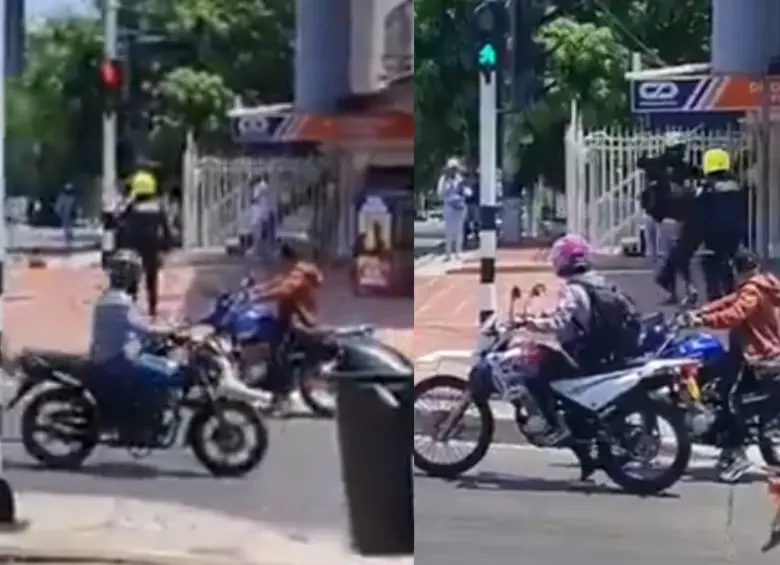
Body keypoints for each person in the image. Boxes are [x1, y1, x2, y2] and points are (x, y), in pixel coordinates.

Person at [517, 233, 641, 481]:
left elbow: (561, 322)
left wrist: (532, 324)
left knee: (532, 374)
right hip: (605, 352)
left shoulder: (573, 289)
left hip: (586, 354)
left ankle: (555, 427)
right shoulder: (597, 281)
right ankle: (585, 454)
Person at [680, 248, 780, 482]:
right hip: (763, 353)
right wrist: (702, 310)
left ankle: (737, 455)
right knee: (721, 385)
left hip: (759, 356)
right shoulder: (765, 284)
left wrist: (703, 320)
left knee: (732, 401)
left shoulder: (753, 291)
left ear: (736, 271)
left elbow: (735, 313)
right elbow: (731, 300)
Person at [88, 250, 184, 442]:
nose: (138, 279)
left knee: (157, 364)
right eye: (135, 274)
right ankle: (141, 427)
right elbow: (142, 328)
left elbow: (138, 326)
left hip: (122, 354)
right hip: (115, 360)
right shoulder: (118, 302)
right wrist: (170, 332)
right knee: (161, 375)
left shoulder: (117, 298)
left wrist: (165, 327)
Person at [251, 240, 328, 415]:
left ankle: (282, 399)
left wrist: (259, 298)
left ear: (288, 259)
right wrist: (256, 289)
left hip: (297, 322)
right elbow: (277, 282)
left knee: (280, 358)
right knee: (273, 348)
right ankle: (270, 391)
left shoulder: (297, 275)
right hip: (289, 320)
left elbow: (285, 290)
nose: (279, 262)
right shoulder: (294, 271)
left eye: (281, 259)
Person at [639, 132, 701, 303]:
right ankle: (684, 288)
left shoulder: (658, 165)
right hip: (678, 217)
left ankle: (682, 289)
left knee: (671, 256)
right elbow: (698, 174)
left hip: (666, 218)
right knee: (675, 256)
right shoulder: (684, 167)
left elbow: (641, 163)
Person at [115, 165, 174, 319]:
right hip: (152, 245)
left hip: (133, 244)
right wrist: (167, 245)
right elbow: (166, 227)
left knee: (132, 275)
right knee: (151, 278)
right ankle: (152, 308)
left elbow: (119, 219)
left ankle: (131, 304)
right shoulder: (158, 206)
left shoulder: (132, 205)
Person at [695, 148, 745, 301]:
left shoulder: (707, 188)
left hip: (714, 235)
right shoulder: (736, 185)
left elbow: (700, 210)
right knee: (728, 265)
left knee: (710, 266)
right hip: (734, 233)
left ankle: (715, 300)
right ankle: (730, 295)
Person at [437, 157, 471, 261]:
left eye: (455, 168)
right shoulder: (443, 179)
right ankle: (448, 253)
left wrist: (463, 189)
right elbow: (440, 194)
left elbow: (469, 193)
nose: (453, 170)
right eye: (451, 168)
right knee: (449, 231)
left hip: (460, 207)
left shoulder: (460, 179)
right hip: (449, 206)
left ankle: (458, 252)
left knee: (459, 230)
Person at [54, 183, 77, 252]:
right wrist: (60, 213)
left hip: (69, 215)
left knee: (69, 227)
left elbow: (75, 206)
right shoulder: (63, 197)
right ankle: (68, 243)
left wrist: (75, 212)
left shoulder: (72, 197)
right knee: (67, 227)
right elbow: (58, 207)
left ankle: (69, 242)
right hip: (65, 215)